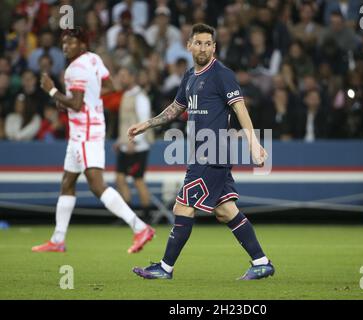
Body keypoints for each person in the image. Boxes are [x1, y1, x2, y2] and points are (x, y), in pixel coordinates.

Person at [128, 23, 274, 280]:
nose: (203, 48)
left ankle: (165, 268)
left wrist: (252, 142)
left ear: (214, 47)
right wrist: (147, 124)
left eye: (208, 43)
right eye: (198, 43)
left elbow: (240, 109)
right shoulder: (189, 76)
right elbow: (176, 108)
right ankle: (261, 262)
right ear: (189, 45)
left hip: (212, 153)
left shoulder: (222, 74)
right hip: (203, 153)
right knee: (225, 210)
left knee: (183, 206)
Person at [32, 27, 154, 253]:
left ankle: (140, 227)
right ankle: (58, 239)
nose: (65, 46)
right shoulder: (94, 59)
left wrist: (52, 91)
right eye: (64, 43)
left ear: (82, 45)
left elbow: (77, 104)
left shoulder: (74, 69)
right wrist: (83, 98)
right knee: (67, 183)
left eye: (70, 43)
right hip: (86, 130)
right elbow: (109, 87)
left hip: (86, 132)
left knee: (97, 186)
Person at [114, 66, 153, 223]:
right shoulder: (126, 95)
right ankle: (127, 215)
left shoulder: (140, 97)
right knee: (120, 179)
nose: (121, 79)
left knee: (138, 180)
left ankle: (147, 216)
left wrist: (135, 142)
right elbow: (125, 122)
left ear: (131, 77)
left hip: (138, 147)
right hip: (125, 144)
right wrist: (120, 141)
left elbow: (143, 120)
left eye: (123, 75)